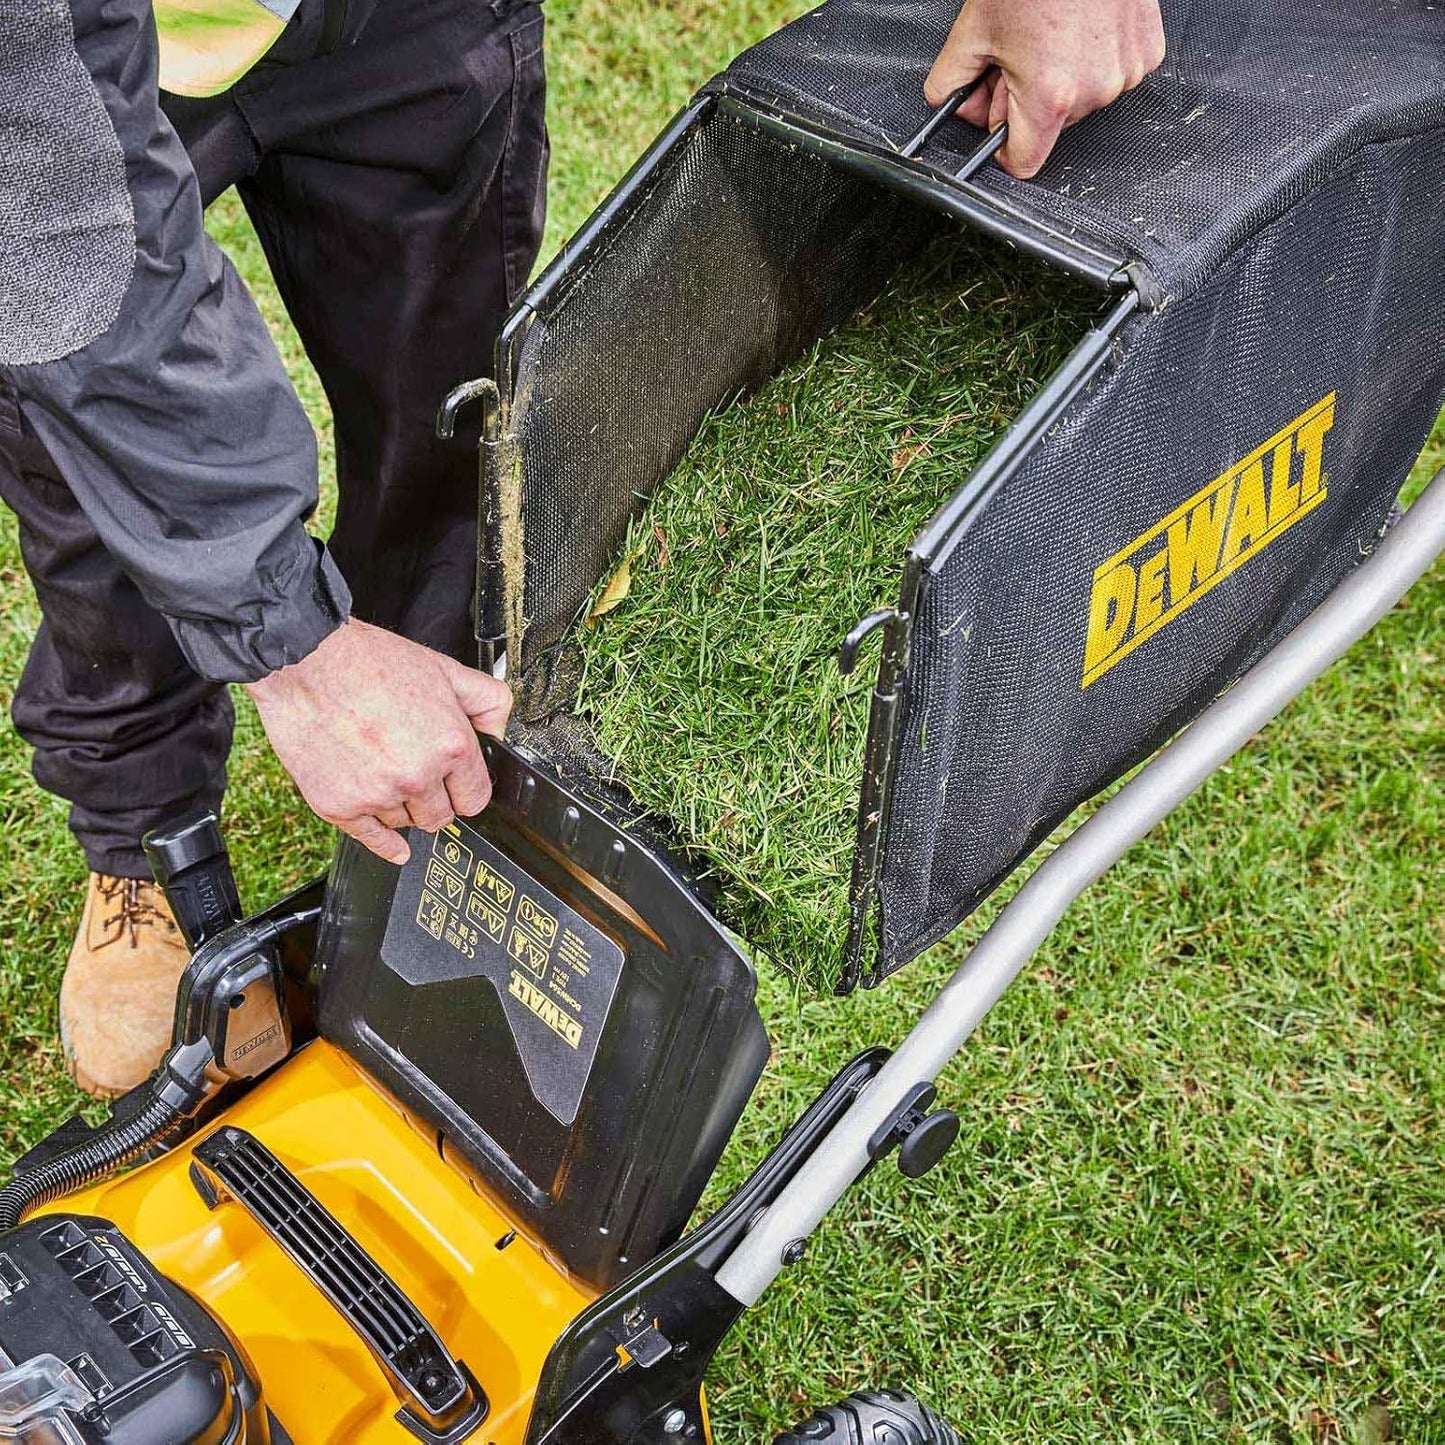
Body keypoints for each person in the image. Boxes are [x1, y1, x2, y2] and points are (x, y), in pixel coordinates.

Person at [0, 0, 1163, 1101]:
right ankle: (142, 834)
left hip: (397, 28)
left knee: (449, 408)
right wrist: (289, 644)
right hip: (69, 53)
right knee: (83, 439)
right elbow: (66, 252)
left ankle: (435, 785)